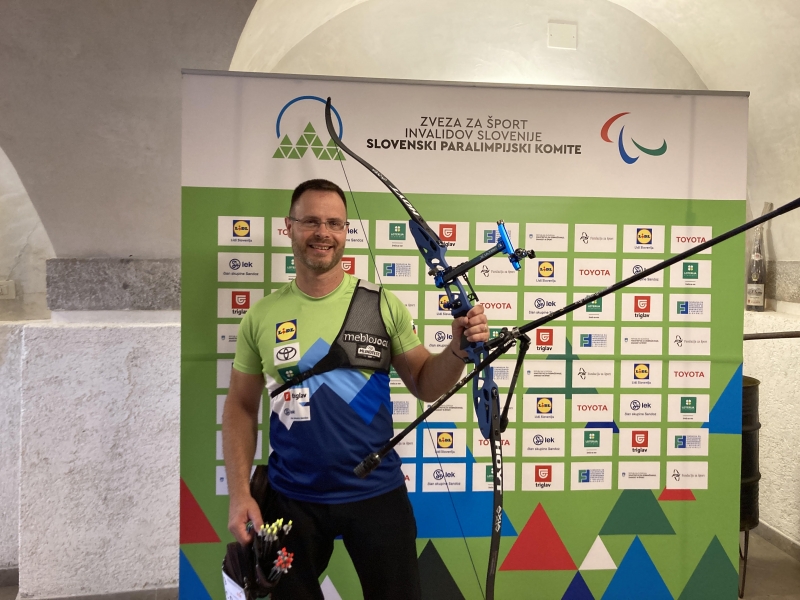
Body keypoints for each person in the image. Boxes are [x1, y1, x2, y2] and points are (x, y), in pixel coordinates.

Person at [222, 178, 489, 599]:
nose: (322, 233)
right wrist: (239, 494)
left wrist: (457, 350)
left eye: (334, 223)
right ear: (288, 227)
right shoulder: (262, 315)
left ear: (346, 231)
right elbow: (240, 405)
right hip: (293, 500)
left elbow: (425, 382)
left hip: (377, 493)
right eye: (310, 221)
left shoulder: (380, 304)